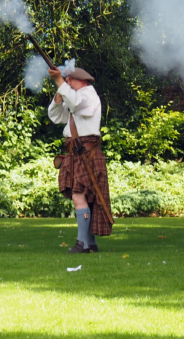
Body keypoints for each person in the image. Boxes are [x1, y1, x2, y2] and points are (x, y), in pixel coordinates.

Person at [48, 66, 113, 253]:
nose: (67, 83)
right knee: (84, 198)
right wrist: (57, 100)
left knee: (79, 197)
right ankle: (89, 243)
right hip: (76, 151)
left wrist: (59, 81)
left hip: (86, 151)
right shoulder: (74, 96)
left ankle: (82, 243)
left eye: (70, 81)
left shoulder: (87, 94)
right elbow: (56, 117)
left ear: (81, 81)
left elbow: (76, 104)